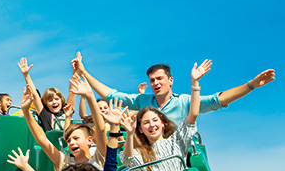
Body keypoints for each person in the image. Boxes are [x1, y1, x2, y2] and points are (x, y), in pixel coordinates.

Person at [71, 51, 274, 123]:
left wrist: (251, 85)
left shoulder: (184, 102)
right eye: (152, 80)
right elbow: (112, 94)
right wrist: (84, 72)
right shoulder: (143, 102)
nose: (155, 83)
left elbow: (217, 100)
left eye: (159, 79)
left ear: (170, 80)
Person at [119, 59, 212, 171]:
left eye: (155, 120)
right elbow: (128, 158)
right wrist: (130, 134)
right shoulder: (141, 154)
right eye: (146, 123)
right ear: (141, 129)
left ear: (162, 123)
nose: (152, 125)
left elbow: (193, 114)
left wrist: (195, 83)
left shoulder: (177, 141)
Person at [21, 75, 107, 171]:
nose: (71, 142)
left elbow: (101, 129)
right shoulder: (67, 164)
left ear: (89, 140)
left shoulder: (98, 159)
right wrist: (26, 111)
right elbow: (42, 140)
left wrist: (90, 96)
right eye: (69, 140)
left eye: (76, 138)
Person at [17, 57, 74, 131]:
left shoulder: (67, 110)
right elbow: (34, 94)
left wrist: (75, 71)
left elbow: (72, 91)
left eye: (56, 99)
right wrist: (26, 74)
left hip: (70, 141)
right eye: (50, 100)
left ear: (61, 100)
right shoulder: (45, 114)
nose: (54, 102)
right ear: (46, 103)